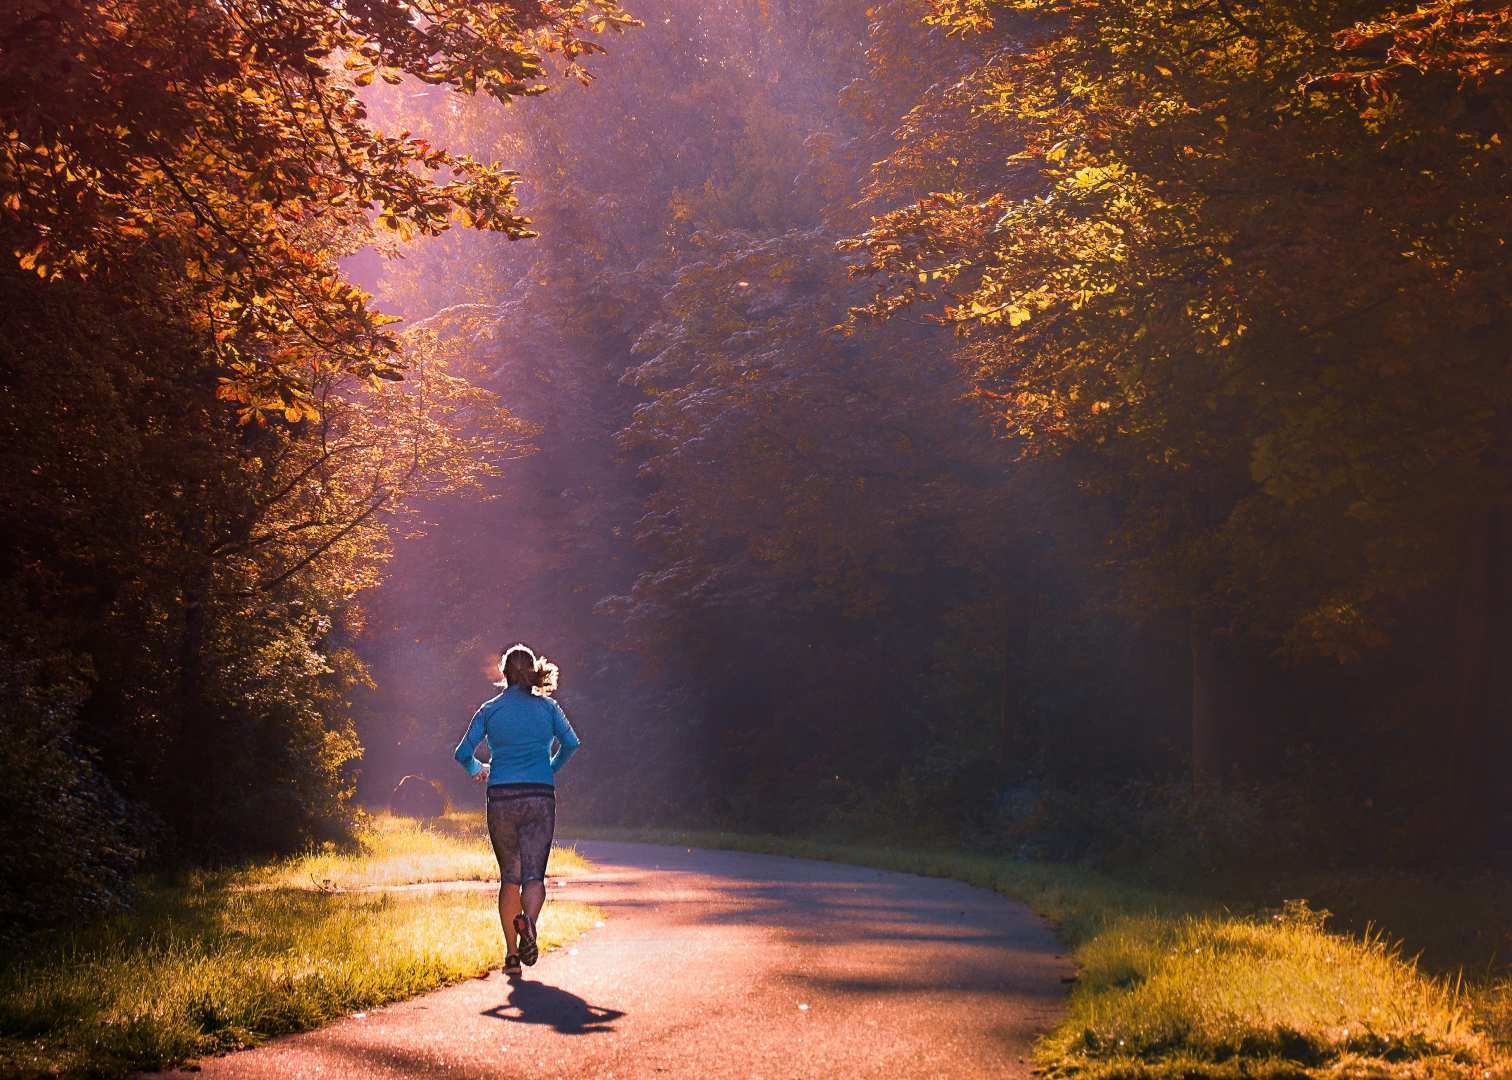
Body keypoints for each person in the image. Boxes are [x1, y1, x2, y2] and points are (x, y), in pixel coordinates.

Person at [454, 643, 580, 977]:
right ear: (532, 671)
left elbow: (462, 752)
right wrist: (550, 767)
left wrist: (478, 769)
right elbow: (572, 744)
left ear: (503, 673)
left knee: (510, 877)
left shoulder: (489, 710)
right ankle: (530, 925)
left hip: (502, 796)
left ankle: (512, 956)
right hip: (540, 795)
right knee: (534, 876)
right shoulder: (549, 709)